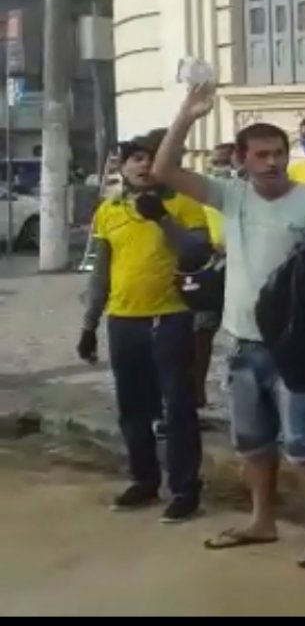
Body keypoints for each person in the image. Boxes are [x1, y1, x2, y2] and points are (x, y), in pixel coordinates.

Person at [153, 83, 305, 570]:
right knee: (253, 441)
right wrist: (187, 114)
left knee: (304, 442)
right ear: (243, 160)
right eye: (262, 155)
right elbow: (163, 171)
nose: (272, 162)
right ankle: (261, 519)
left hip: (293, 346)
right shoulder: (232, 197)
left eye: (279, 153)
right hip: (243, 343)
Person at [77, 133, 210, 521]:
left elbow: (197, 252)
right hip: (123, 321)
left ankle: (186, 488)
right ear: (122, 166)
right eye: (135, 158)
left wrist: (162, 217)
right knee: (132, 407)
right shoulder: (109, 210)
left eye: (151, 159)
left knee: (178, 406)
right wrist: (89, 325)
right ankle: (144, 479)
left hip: (170, 318)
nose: (143, 166)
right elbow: (100, 273)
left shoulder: (184, 204)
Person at [194, 142, 236, 412]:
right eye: (215, 162)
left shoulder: (242, 192)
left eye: (225, 163)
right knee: (202, 330)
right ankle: (197, 393)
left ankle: (234, 385)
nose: (220, 168)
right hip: (209, 267)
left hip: (241, 266)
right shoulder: (200, 191)